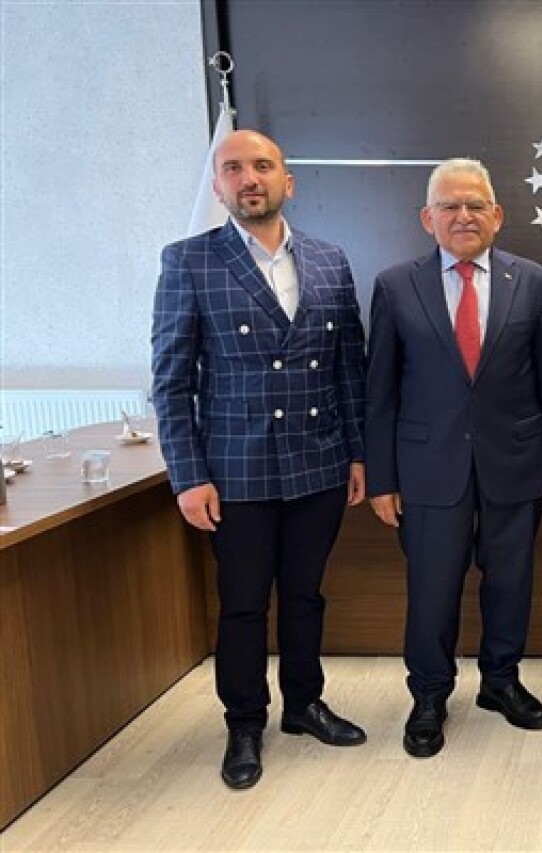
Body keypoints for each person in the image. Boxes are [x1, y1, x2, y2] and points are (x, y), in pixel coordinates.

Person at [151, 129, 369, 790]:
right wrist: (188, 475)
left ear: (287, 181)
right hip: (235, 469)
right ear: (220, 186)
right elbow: (171, 381)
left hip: (319, 462)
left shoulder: (330, 260)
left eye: (263, 166)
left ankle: (304, 704)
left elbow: (349, 368)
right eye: (234, 168)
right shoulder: (189, 260)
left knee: (305, 594)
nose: (250, 178)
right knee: (243, 604)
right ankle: (245, 722)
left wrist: (359, 454)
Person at [364, 158, 542, 759]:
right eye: (449, 206)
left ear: (497, 215)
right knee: (432, 588)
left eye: (475, 205)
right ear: (427, 218)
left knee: (510, 583)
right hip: (427, 469)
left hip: (516, 461)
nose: (463, 216)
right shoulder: (395, 286)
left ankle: (501, 683)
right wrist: (381, 478)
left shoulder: (532, 281)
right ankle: (430, 695)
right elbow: (380, 393)